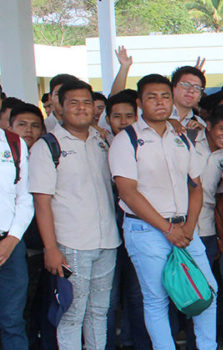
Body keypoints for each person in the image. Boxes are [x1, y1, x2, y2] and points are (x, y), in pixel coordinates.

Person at [108, 74, 217, 349]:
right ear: (139, 102)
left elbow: (195, 186)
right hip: (147, 230)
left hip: (184, 229)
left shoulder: (180, 137)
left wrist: (189, 227)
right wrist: (167, 229)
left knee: (207, 291)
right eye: (152, 97)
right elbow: (128, 192)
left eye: (165, 96)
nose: (160, 102)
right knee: (157, 299)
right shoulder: (126, 140)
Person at [27, 80, 115, 350]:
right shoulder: (48, 146)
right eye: (73, 103)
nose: (81, 108)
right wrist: (51, 249)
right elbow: (42, 202)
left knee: (99, 312)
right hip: (71, 244)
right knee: (72, 313)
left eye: (86, 102)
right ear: (59, 108)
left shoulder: (101, 141)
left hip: (108, 242)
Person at [189, 105, 223, 347]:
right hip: (181, 229)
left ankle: (202, 342)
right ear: (208, 126)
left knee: (205, 291)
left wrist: (221, 235)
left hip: (208, 230)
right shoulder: (188, 142)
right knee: (179, 289)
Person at [0, 98, 32, 350]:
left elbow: (24, 197)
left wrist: (12, 238)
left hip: (10, 245)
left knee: (12, 321)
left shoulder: (14, 143)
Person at [170, 66, 208, 141]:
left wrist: (203, 133)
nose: (191, 90)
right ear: (173, 88)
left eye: (197, 87)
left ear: (200, 96)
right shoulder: (155, 113)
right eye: (186, 85)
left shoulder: (200, 124)